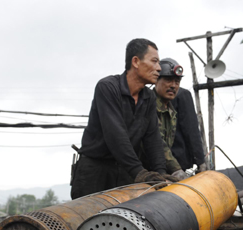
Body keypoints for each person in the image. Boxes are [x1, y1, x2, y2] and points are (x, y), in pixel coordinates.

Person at [70, 38, 177, 199]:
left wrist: (160, 175)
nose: (159, 68)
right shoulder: (107, 87)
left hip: (125, 171)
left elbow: (152, 138)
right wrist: (139, 173)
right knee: (86, 220)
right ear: (136, 61)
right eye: (154, 61)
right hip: (94, 171)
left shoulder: (148, 97)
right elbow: (116, 135)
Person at [152, 57, 206, 181]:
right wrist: (176, 168)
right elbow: (157, 141)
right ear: (156, 80)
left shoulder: (170, 109)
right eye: (168, 80)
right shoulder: (148, 104)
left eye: (177, 82)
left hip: (171, 168)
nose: (173, 85)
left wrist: (200, 161)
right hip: (153, 170)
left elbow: (192, 129)